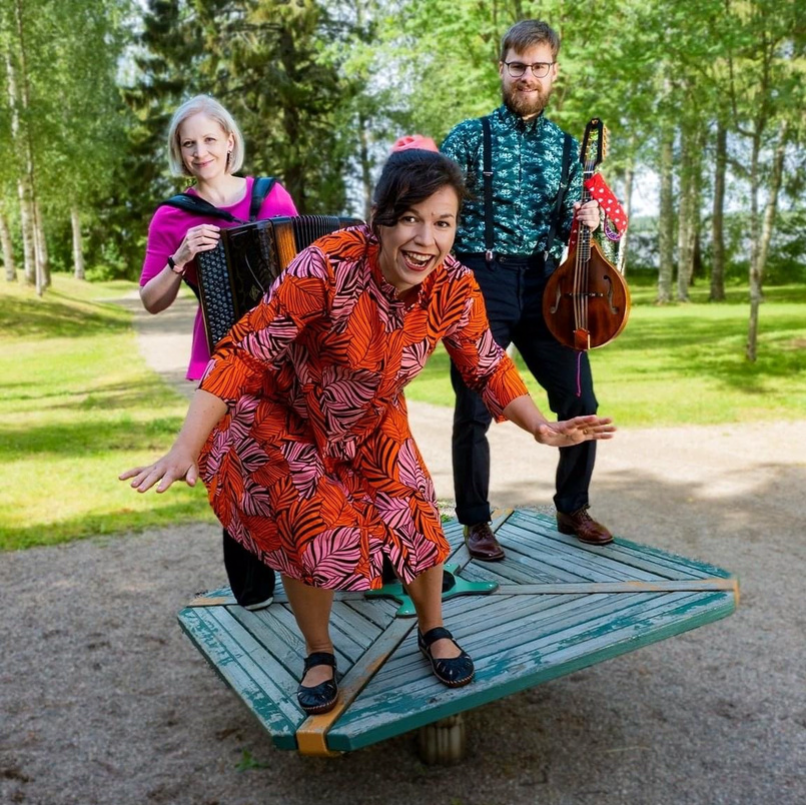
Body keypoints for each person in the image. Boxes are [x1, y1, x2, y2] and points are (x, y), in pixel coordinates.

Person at [121, 147, 615, 714]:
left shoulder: (453, 285)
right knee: (313, 530)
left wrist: (540, 426)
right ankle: (320, 651)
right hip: (288, 414)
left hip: (373, 417)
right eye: (410, 219)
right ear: (378, 218)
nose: (425, 239)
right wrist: (185, 447)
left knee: (416, 513)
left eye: (443, 223)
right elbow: (246, 352)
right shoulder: (327, 266)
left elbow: (486, 363)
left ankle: (432, 629)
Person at [441, 19, 612, 561]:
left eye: (539, 67)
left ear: (554, 73)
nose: (527, 76)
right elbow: (438, 209)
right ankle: (476, 521)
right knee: (474, 405)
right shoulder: (468, 137)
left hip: (545, 284)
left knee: (580, 398)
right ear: (502, 69)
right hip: (479, 279)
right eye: (518, 66)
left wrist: (587, 220)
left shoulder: (566, 149)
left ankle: (572, 507)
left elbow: (568, 224)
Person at [139, 94, 297, 611]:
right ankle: (253, 588)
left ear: (230, 141)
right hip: (221, 354)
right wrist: (180, 257)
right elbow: (151, 300)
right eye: (189, 144)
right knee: (239, 467)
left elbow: (307, 268)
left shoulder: (272, 197)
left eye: (209, 139)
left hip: (287, 351)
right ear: (180, 152)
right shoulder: (172, 216)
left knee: (304, 460)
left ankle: (326, 566)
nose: (200, 151)